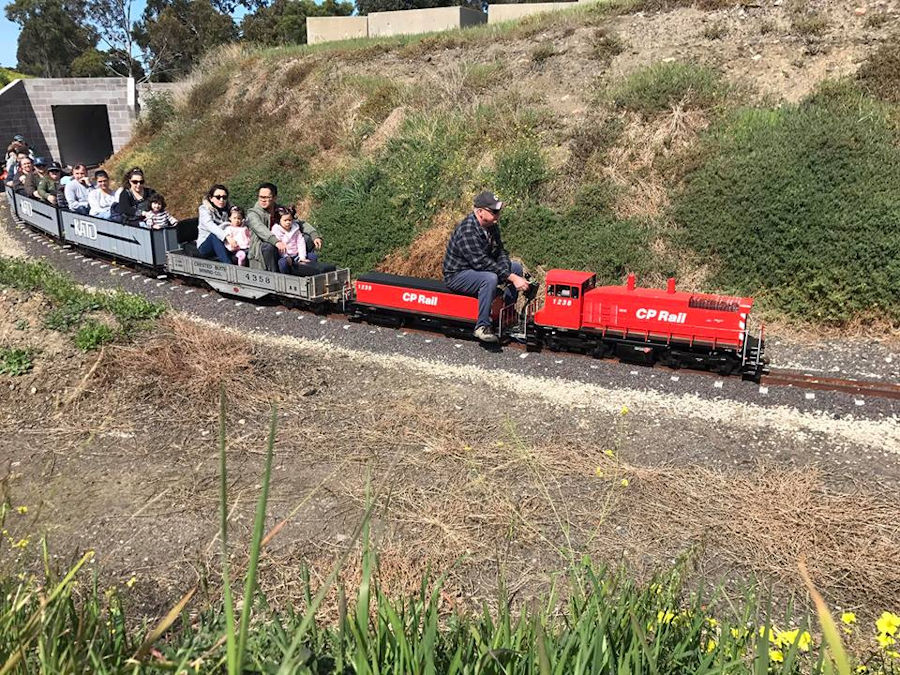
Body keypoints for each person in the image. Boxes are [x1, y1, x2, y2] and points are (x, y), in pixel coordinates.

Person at [443, 190, 530, 343]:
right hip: (458, 274)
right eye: (494, 211)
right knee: (489, 278)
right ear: (480, 211)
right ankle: (482, 326)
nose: (498, 215)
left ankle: (507, 316)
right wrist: (510, 278)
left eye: (499, 211)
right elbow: (481, 262)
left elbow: (500, 251)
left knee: (515, 267)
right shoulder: (468, 230)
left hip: (476, 268)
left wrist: (508, 272)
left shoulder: (491, 225)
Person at [271, 207, 336, 276]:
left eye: (290, 220)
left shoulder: (295, 229)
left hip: (297, 254)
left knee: (313, 256)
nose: (288, 222)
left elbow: (300, 242)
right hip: (284, 255)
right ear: (279, 221)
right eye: (285, 220)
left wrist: (302, 257)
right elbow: (279, 248)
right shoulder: (276, 231)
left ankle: (311, 275)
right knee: (282, 263)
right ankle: (287, 277)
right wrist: (286, 256)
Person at [246, 182, 284, 271]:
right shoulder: (253, 214)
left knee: (306, 238)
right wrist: (275, 241)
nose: (263, 200)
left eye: (266, 197)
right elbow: (260, 228)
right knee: (268, 246)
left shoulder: (280, 210)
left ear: (274, 198)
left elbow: (296, 222)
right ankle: (274, 277)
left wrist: (314, 235)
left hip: (283, 243)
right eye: (261, 197)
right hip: (261, 251)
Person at [196, 183, 233, 264]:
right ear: (211, 198)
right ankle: (229, 267)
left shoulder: (229, 209)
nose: (221, 200)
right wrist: (226, 237)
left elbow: (239, 217)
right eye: (218, 197)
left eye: (224, 197)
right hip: (206, 245)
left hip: (225, 243)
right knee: (214, 235)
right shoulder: (204, 209)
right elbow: (210, 226)